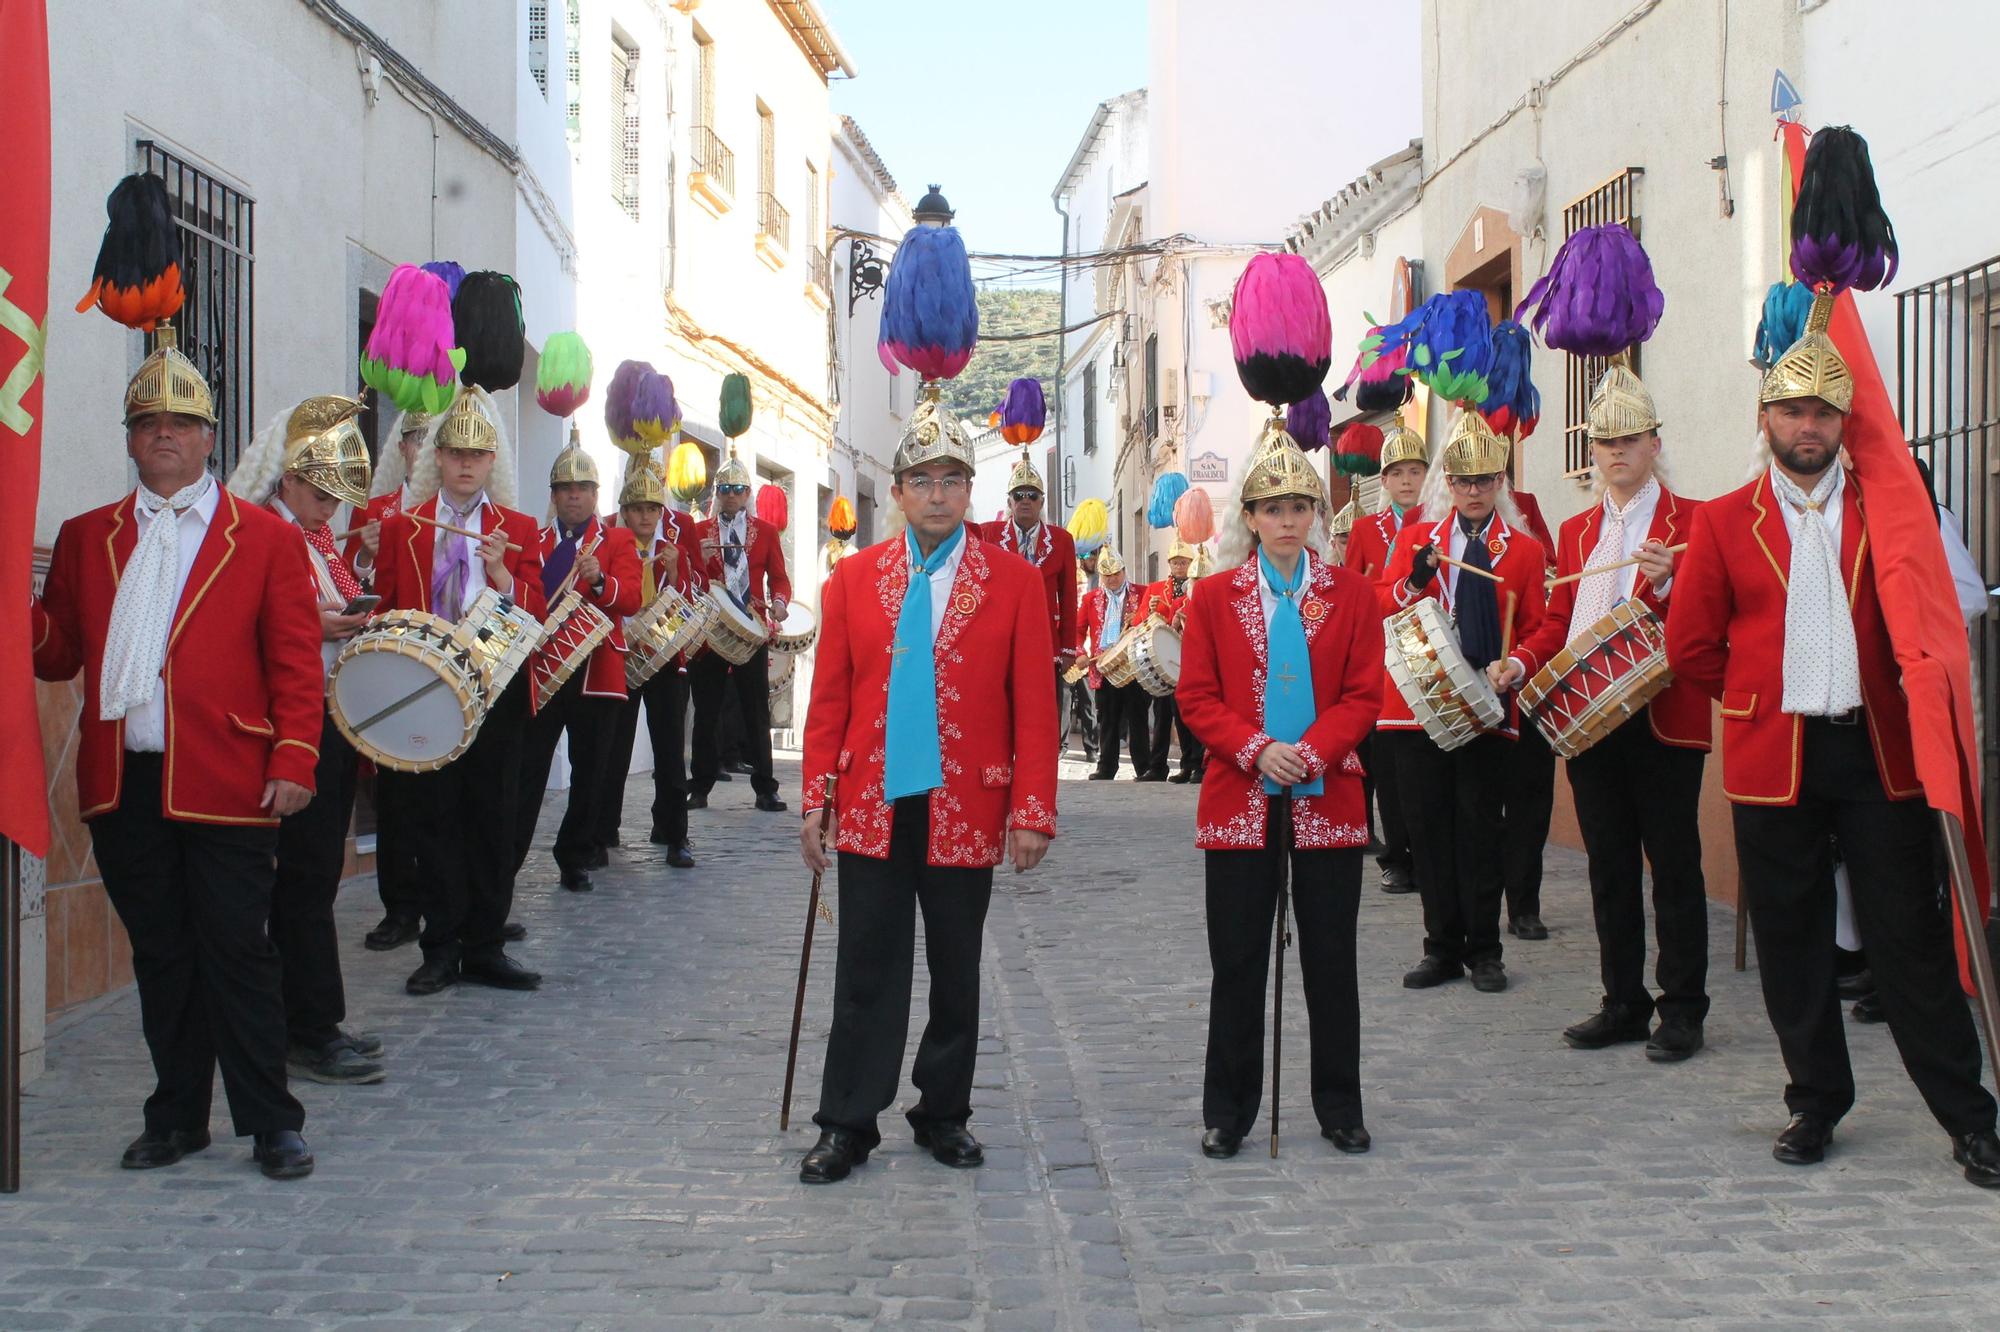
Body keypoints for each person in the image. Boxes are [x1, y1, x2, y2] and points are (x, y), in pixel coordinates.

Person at [1667, 291, 2000, 1187]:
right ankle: (1816, 1101)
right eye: (1791, 409)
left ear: (1843, 421)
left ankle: (1969, 1117)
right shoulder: (1723, 520)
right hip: (1774, 757)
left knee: (1909, 939)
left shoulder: (1890, 510)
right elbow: (1690, 647)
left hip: (1877, 750)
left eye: (1821, 411)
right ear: (1765, 417)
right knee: (1792, 938)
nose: (1806, 426)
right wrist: (1753, 702)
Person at [32, 329, 324, 1179]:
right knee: (161, 955)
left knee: (239, 950)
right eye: (146, 420)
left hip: (230, 779)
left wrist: (295, 760)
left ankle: (272, 1121)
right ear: (129, 439)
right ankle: (178, 1115)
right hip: (125, 781)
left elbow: (295, 663)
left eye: (181, 421)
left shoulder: (265, 539)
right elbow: (60, 655)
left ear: (209, 439)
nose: (163, 432)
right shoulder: (89, 537)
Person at [796, 388, 1058, 1184]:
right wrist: (816, 794)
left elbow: (1035, 709)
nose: (938, 494)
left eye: (952, 479)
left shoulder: (1013, 583)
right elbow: (830, 698)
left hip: (966, 800)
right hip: (874, 800)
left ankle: (943, 1112)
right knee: (865, 966)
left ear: (967, 491)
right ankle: (847, 1119)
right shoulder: (851, 581)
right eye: (923, 480)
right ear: (900, 492)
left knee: (955, 967)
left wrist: (1033, 809)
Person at [1177, 419, 1384, 1159]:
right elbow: (1197, 697)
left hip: (1328, 798)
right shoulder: (1212, 599)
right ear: (1251, 518)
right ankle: (1228, 1110)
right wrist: (1258, 750)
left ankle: (1339, 1105)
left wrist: (1312, 752)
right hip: (1239, 798)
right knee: (1236, 961)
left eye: (1300, 507)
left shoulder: (1354, 596)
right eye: (1273, 508)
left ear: (1316, 516)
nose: (1288, 521)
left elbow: (1363, 695)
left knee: (1331, 959)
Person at [1497, 364, 1711, 1061]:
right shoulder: (1578, 530)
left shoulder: (1694, 524)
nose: (1616, 452)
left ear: (1655, 444)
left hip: (1663, 720)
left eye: (1630, 439)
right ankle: (1623, 1000)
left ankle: (1682, 1009)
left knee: (1675, 867)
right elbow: (1558, 620)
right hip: (1588, 720)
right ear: (1592, 452)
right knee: (1609, 867)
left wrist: (1673, 581)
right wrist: (1522, 665)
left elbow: (1714, 623)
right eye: (1604, 442)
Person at [226, 395, 388, 1086]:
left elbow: (335, 597)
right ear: (284, 479)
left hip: (327, 715)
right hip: (289, 723)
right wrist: (312, 627)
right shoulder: (264, 534)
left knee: (313, 879)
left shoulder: (320, 541)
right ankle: (307, 1027)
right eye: (317, 491)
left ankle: (314, 1018)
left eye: (334, 493)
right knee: (301, 881)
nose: (328, 504)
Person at [371, 388, 547, 996]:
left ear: (492, 459)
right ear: (437, 459)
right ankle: (440, 947)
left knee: (494, 821)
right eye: (455, 453)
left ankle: (486, 946)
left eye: (478, 453)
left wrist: (503, 575)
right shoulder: (404, 527)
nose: (466, 463)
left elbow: (538, 616)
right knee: (435, 821)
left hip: (495, 693)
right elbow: (390, 609)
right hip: (429, 691)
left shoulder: (519, 529)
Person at [1379, 410, 1547, 994]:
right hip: (1418, 707)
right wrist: (1413, 582)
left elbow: (1543, 626)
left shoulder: (1523, 551)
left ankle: (1486, 950)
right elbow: (1381, 607)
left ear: (1500, 482)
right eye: (1463, 481)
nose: (1474, 491)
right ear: (1446, 484)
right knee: (1426, 830)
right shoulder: (1414, 541)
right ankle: (1441, 948)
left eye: (1484, 481)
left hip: (1487, 703)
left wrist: (1518, 662)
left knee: (1480, 829)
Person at [511, 439, 641, 893]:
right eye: (564, 487)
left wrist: (600, 581)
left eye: (583, 487)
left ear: (595, 494)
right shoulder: (534, 539)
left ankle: (575, 855)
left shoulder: (617, 539)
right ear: (552, 495)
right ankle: (507, 862)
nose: (573, 495)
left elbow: (630, 598)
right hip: (544, 672)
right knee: (528, 772)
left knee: (592, 772)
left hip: (595, 672)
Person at [346, 407, 433, 952]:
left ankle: (460, 903)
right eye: (414, 439)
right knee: (398, 795)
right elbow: (343, 568)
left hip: (446, 662)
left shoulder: (455, 508)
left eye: (432, 439)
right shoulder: (377, 509)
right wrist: (364, 557)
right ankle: (400, 909)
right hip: (390, 663)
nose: (422, 448)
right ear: (400, 449)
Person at [599, 459, 706, 867]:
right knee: (614, 746)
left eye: (652, 508)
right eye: (637, 507)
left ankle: (674, 832)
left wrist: (678, 570)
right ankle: (604, 829)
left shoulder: (680, 533)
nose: (645, 515)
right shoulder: (608, 531)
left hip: (664, 654)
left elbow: (695, 593)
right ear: (625, 507)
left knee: (668, 747)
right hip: (622, 653)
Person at [1346, 419, 1428, 897]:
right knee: (1389, 764)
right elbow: (1351, 592)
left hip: (1430, 653)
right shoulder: (1363, 528)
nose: (1404, 481)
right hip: (1381, 660)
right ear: (1384, 478)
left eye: (1414, 471)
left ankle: (1427, 850)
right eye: (1396, 472)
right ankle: (1397, 856)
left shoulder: (1439, 519)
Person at [689, 454, 790, 812]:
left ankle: (765, 788)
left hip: (751, 630)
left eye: (737, 489)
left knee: (755, 710)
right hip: (712, 630)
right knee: (706, 710)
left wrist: (778, 604)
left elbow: (779, 578)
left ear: (747, 493)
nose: (730, 496)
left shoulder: (766, 532)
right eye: (724, 490)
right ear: (716, 493)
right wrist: (696, 560)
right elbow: (691, 584)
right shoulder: (699, 532)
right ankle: (699, 786)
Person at [977, 447, 1080, 736]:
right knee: (996, 714)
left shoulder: (1061, 540)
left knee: (1039, 718)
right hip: (997, 640)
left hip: (1045, 642)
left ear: (1042, 501)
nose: (1025, 501)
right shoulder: (989, 534)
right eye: (1019, 495)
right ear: (1008, 501)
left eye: (1032, 495)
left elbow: (1069, 597)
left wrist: (1068, 649)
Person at [1079, 548, 1156, 781]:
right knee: (1107, 719)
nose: (1112, 579)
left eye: (1116, 573)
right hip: (1104, 667)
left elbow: (1154, 621)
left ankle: (1143, 766)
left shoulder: (1143, 594)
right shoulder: (1090, 599)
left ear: (1124, 571)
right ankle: (1106, 767)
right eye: (1107, 575)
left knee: (1138, 717)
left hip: (1134, 666)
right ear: (1101, 576)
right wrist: (1080, 651)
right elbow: (1078, 629)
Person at [1147, 538, 1205, 783]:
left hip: (1202, 668)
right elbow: (1170, 633)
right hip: (1180, 666)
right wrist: (1175, 622)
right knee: (1181, 718)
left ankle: (1201, 765)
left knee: (1201, 719)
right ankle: (1188, 764)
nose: (1196, 584)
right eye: (1195, 581)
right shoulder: (1181, 602)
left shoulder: (1212, 602)